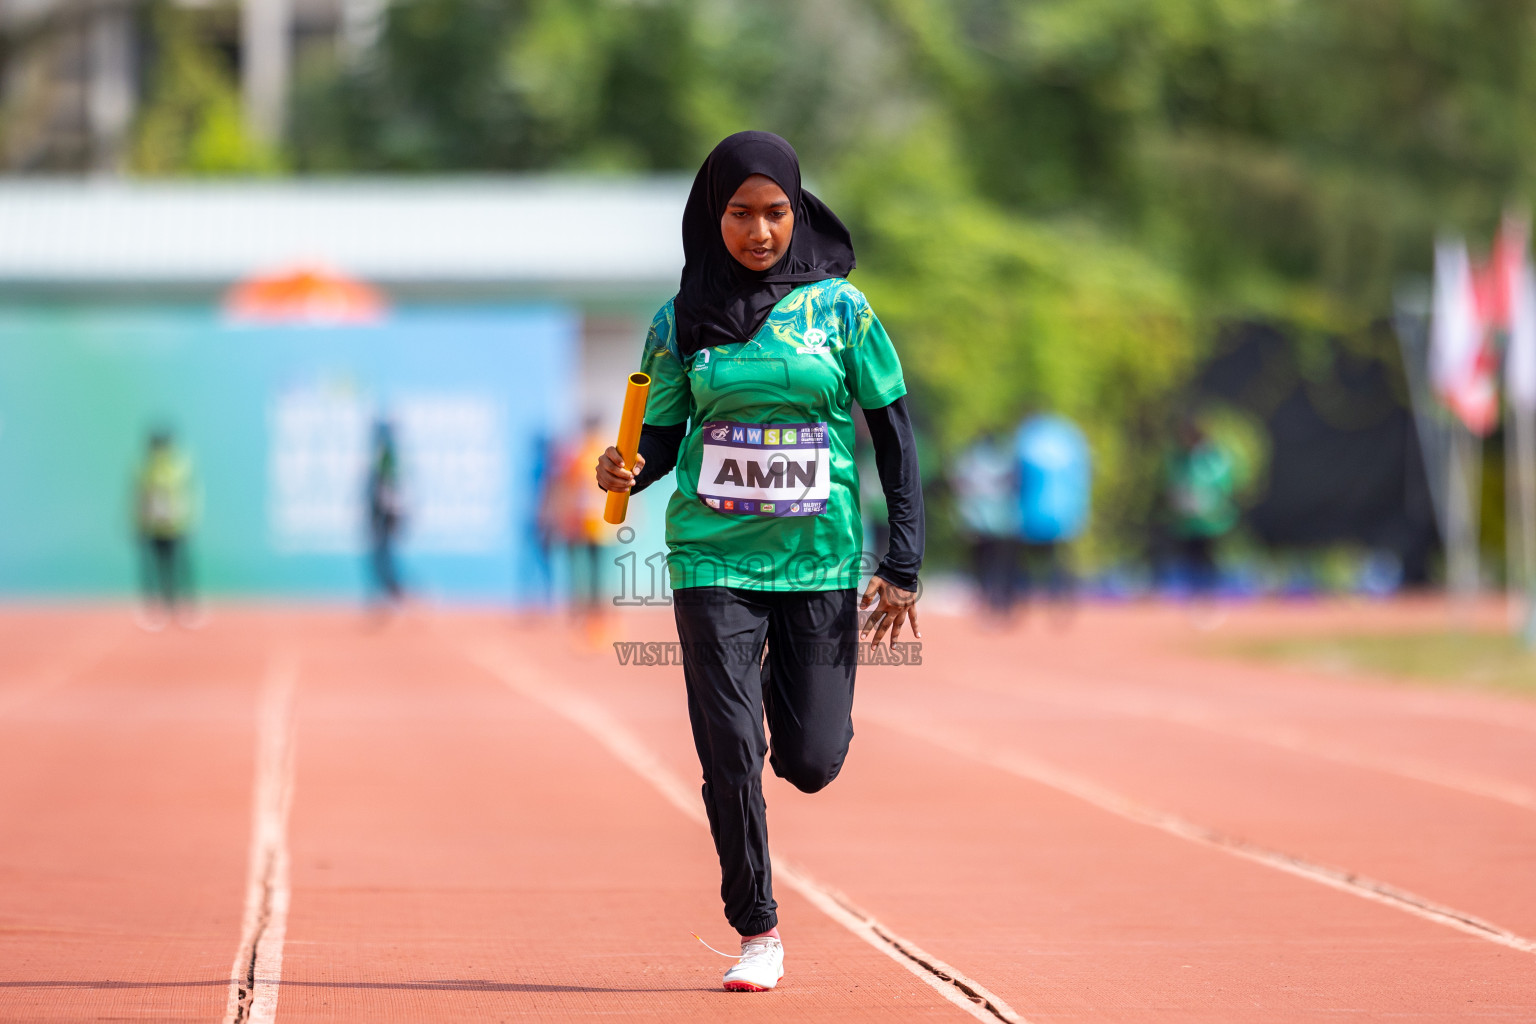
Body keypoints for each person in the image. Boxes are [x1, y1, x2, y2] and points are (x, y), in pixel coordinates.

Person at [595, 131, 923, 992]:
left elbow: (893, 435)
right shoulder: (680, 318)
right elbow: (659, 440)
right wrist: (627, 465)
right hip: (712, 559)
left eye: (775, 212)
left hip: (818, 561)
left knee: (811, 760)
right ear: (713, 215)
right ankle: (758, 929)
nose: (759, 231)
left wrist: (905, 561)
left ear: (798, 211)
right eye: (739, 214)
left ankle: (793, 726)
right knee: (729, 749)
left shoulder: (844, 312)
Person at [1014, 414, 1091, 609]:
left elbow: (1018, 478)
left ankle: (1028, 593)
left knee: (1031, 558)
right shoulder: (1067, 439)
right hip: (1064, 512)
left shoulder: (1027, 442)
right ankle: (1062, 594)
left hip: (1033, 512)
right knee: (1060, 557)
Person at [1163, 416, 1237, 595]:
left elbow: (1223, 486)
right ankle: (1194, 598)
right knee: (1190, 561)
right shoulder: (1180, 459)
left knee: (1210, 562)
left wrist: (1206, 501)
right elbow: (1172, 486)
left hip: (1212, 523)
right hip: (1188, 524)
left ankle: (1213, 596)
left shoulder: (1213, 458)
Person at [133, 429, 197, 629]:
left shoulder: (168, 466)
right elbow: (141, 497)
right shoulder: (170, 466)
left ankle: (178, 608)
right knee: (167, 569)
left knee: (173, 569)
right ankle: (166, 608)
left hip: (170, 525)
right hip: (164, 526)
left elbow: (140, 498)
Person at [951, 432, 1019, 618]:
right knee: (1000, 565)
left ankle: (986, 599)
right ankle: (1000, 601)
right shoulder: (1005, 459)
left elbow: (959, 484)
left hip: (978, 522)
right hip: (1001, 522)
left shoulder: (971, 460)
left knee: (981, 564)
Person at [366, 419, 405, 606]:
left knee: (383, 555)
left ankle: (394, 594)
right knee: (380, 556)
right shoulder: (382, 455)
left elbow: (390, 487)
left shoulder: (386, 455)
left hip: (385, 514)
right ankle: (390, 594)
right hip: (381, 513)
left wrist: (392, 512)